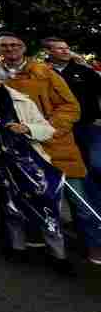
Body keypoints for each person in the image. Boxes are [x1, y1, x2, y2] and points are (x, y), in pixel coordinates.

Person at [0, 62, 70, 272]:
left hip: (28, 163)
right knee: (11, 206)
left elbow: (47, 130)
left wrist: (26, 127)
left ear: (0, 78)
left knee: (45, 206)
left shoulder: (21, 100)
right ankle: (18, 248)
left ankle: (58, 255)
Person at [0, 33, 98, 263]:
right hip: (27, 151)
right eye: (4, 46)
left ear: (23, 47)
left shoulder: (45, 72)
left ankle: (94, 246)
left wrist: (47, 129)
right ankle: (50, 248)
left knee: (79, 202)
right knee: (38, 201)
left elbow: (70, 107)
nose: (10, 49)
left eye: (15, 44)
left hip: (57, 146)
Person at [42, 36, 101, 265]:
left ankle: (93, 236)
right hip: (59, 133)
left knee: (93, 174)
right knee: (74, 183)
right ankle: (86, 235)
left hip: (87, 129)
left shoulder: (83, 71)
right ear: (48, 52)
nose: (66, 51)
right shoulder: (43, 72)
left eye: (67, 48)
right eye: (60, 49)